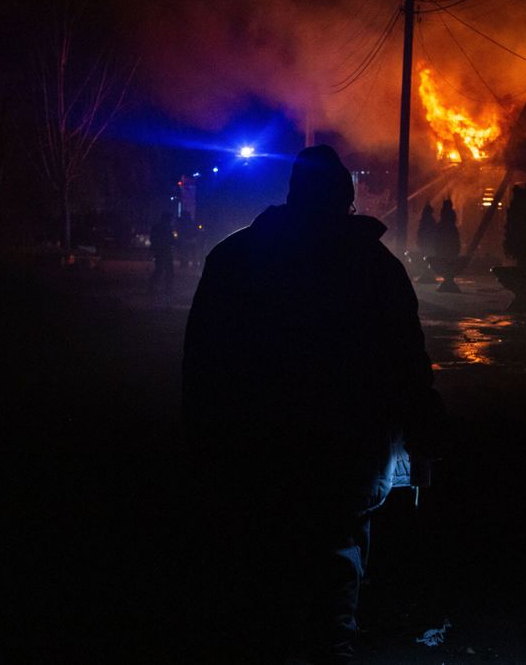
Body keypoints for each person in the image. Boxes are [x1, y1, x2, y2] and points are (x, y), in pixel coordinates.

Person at [182, 145, 444, 663]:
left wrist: (202, 440)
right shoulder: (374, 265)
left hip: (258, 447)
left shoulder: (236, 257)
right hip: (348, 452)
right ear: (345, 199)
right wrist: (423, 433)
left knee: (264, 572)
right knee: (335, 573)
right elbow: (407, 358)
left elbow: (204, 359)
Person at [148, 211, 175, 293]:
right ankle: (167, 287)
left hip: (160, 249)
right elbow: (170, 239)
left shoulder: (157, 226)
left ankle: (154, 286)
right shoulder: (166, 227)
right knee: (166, 269)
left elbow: (152, 238)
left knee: (161, 268)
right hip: (164, 249)